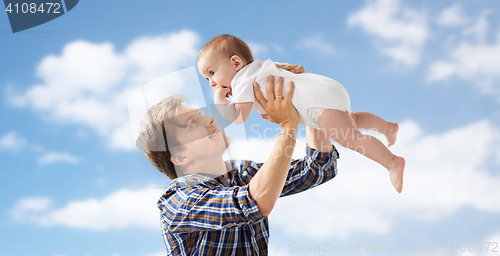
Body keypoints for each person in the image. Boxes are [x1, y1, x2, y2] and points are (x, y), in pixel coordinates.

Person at [137, 75, 340, 255]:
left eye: (200, 115)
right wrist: (288, 126)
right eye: (192, 123)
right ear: (180, 157)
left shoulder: (240, 173)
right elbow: (255, 201)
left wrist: (308, 104)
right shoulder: (177, 200)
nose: (209, 118)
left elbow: (317, 170)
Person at [197, 34, 405, 193]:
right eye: (208, 80)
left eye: (212, 73)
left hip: (315, 103)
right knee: (352, 121)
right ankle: (387, 127)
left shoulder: (241, 80)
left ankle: (392, 162)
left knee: (351, 138)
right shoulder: (259, 67)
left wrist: (219, 101)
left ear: (235, 63)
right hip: (323, 89)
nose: (213, 83)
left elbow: (238, 117)